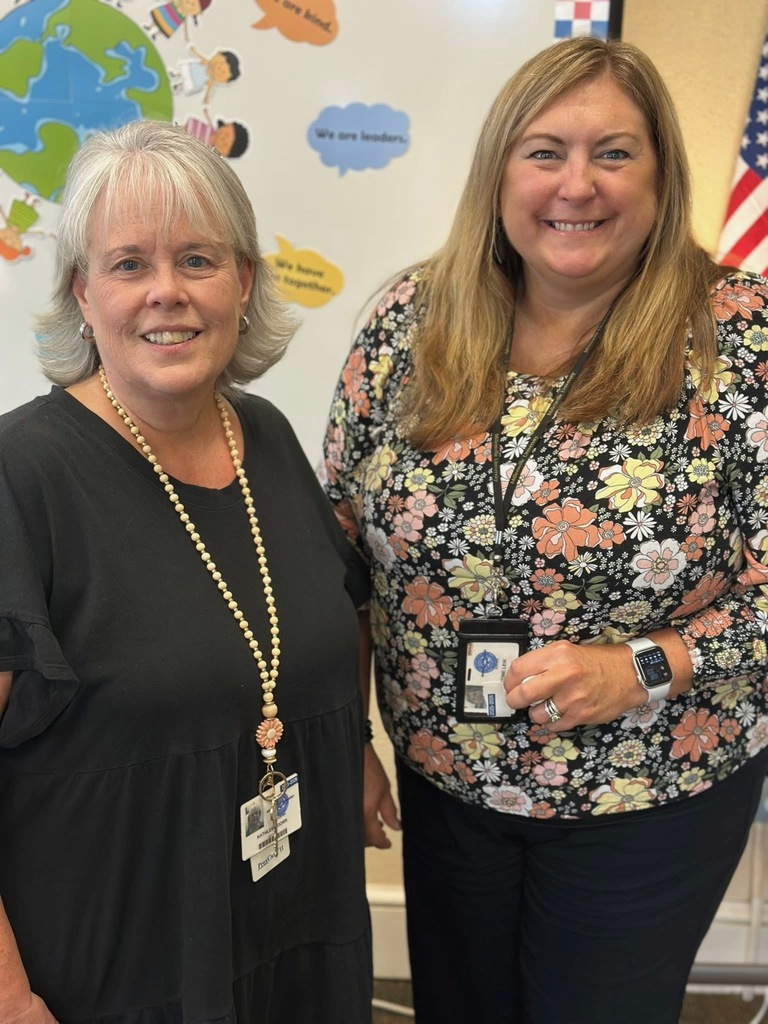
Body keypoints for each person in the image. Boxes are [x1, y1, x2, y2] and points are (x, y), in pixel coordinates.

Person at [321, 36, 768, 1024]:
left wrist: (639, 666)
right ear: (499, 174)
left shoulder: (739, 338)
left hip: (647, 791)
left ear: (660, 176)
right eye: (545, 152)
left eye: (614, 153)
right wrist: (347, 737)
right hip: (447, 779)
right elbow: (340, 551)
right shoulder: (409, 321)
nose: (577, 185)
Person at [0, 120, 372, 1024]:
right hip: (113, 974)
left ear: (242, 282)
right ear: (83, 293)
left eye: (197, 259)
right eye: (128, 264)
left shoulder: (267, 437)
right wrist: (7, 998)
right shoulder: (21, 475)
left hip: (291, 932)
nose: (166, 291)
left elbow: (328, 625)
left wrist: (355, 749)